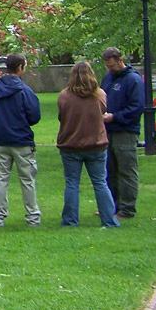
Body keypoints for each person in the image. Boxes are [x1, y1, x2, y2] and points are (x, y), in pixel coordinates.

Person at [0, 53, 42, 227]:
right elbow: (35, 115)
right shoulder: (25, 91)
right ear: (20, 67)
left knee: (1, 181)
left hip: (1, 141)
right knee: (27, 180)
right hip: (22, 141)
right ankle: (33, 217)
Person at [57, 61, 120, 228]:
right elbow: (102, 111)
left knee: (72, 182)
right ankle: (109, 219)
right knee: (100, 182)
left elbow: (61, 115)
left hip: (71, 144)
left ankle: (70, 220)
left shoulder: (64, 96)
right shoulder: (99, 94)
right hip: (96, 144)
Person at [101, 46, 144, 219]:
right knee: (109, 171)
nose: (110, 69)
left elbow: (136, 107)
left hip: (125, 131)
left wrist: (115, 117)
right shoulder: (108, 78)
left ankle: (127, 208)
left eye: (112, 66)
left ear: (120, 60)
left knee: (126, 170)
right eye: (107, 66)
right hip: (107, 131)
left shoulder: (133, 80)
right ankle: (112, 206)